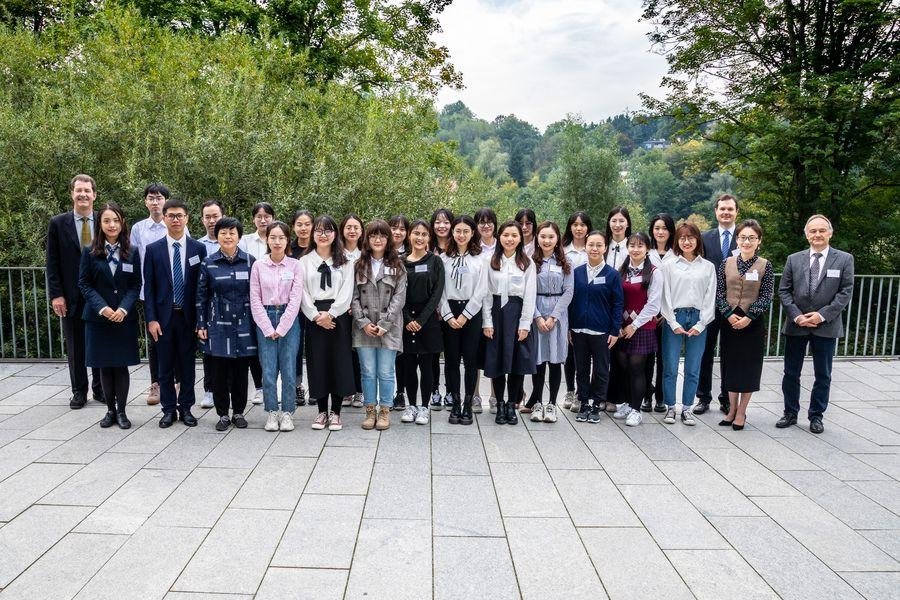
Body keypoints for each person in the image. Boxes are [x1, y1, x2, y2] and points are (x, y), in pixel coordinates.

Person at [777, 215, 854, 434]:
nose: (817, 235)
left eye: (822, 231)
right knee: (791, 372)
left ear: (830, 233)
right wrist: (797, 316)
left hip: (826, 325)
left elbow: (845, 292)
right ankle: (790, 412)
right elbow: (784, 290)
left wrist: (820, 315)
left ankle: (816, 416)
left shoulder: (844, 259)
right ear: (807, 234)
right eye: (813, 231)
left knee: (823, 374)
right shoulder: (794, 259)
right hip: (797, 325)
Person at [143, 198, 207, 428]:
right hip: (163, 319)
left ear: (187, 218)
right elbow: (148, 289)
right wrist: (150, 319)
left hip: (188, 318)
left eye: (180, 215)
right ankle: (168, 410)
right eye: (171, 215)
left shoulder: (199, 249)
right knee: (165, 366)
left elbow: (202, 288)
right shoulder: (153, 250)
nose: (176, 219)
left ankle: (186, 408)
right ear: (165, 218)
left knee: (188, 365)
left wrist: (201, 320)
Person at [78, 202, 141, 429]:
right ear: (100, 224)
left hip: (124, 318)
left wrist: (123, 309)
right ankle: (109, 411)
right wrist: (103, 308)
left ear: (122, 222)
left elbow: (135, 285)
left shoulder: (132, 252)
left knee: (121, 366)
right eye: (106, 220)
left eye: (115, 220)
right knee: (105, 366)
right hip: (99, 319)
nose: (111, 225)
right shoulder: (90, 252)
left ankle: (122, 411)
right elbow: (84, 284)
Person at [47, 174, 104, 409]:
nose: (83, 194)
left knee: (100, 342)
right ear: (72, 193)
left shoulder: (105, 219)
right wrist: (55, 294)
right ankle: (79, 391)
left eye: (87, 190)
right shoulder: (58, 223)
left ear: (94, 195)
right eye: (78, 190)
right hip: (70, 295)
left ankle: (101, 389)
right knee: (75, 346)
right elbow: (52, 261)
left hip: (101, 296)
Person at [130, 182, 188, 405]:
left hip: (177, 294)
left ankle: (177, 381)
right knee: (155, 340)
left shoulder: (176, 224)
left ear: (166, 202)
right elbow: (135, 261)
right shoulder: (138, 229)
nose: (155, 202)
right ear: (146, 202)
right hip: (150, 293)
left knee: (177, 337)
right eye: (151, 198)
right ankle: (156, 384)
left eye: (159, 198)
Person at [197, 217, 256, 431]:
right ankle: (222, 414)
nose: (228, 236)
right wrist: (201, 324)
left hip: (244, 325)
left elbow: (257, 295)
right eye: (223, 232)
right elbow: (201, 297)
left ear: (239, 236)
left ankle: (239, 412)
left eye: (232, 232)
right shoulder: (209, 262)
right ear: (217, 236)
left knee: (241, 372)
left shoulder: (250, 261)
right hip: (218, 326)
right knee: (219, 373)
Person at [715, 219, 774, 431]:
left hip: (753, 323)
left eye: (751, 238)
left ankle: (742, 412)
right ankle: (731, 409)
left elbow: (767, 295)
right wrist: (729, 314)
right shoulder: (726, 263)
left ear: (759, 241)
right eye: (742, 237)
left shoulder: (765, 265)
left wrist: (750, 316)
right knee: (730, 366)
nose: (746, 242)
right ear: (736, 240)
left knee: (748, 368)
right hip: (729, 321)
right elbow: (719, 292)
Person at [299, 216, 355, 431]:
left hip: (337, 317)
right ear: (313, 235)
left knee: (339, 362)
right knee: (318, 363)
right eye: (319, 231)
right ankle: (322, 411)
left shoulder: (345, 261)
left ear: (335, 234)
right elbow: (302, 292)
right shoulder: (304, 262)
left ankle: (337, 412)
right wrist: (315, 316)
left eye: (328, 231)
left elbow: (347, 291)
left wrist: (330, 314)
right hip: (314, 317)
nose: (323, 235)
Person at [351, 220, 407, 431]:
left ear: (388, 239)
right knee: (367, 371)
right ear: (367, 238)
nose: (378, 239)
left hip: (389, 328)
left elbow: (399, 298)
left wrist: (385, 323)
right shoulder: (359, 264)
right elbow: (353, 297)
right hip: (363, 328)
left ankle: (385, 409)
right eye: (373, 235)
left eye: (382, 235)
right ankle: (369, 409)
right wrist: (363, 322)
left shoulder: (397, 265)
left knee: (385, 371)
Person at [659, 222, 717, 427]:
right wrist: (672, 321)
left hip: (699, 318)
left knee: (693, 367)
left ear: (697, 240)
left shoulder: (708, 267)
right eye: (682, 238)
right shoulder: (669, 266)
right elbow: (664, 296)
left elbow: (711, 297)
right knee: (671, 366)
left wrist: (702, 324)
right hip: (674, 316)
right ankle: (670, 407)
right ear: (677, 241)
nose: (686, 241)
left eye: (691, 237)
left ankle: (686, 408)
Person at [250, 221, 304, 432]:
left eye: (281, 237)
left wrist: (281, 327)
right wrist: (266, 326)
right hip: (265, 316)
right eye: (273, 237)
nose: (277, 241)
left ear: (287, 240)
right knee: (269, 370)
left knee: (289, 369)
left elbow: (296, 298)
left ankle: (288, 412)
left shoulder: (295, 265)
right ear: (267, 239)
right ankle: (272, 412)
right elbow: (254, 298)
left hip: (289, 319)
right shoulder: (258, 266)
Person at [483, 220, 536, 425]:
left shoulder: (526, 262)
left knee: (517, 361)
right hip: (496, 312)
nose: (510, 239)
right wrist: (487, 321)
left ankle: (512, 404)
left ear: (520, 238)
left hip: (517, 312)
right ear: (499, 236)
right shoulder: (491, 260)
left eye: (514, 235)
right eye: (506, 235)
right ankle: (500, 403)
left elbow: (530, 295)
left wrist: (525, 324)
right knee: (496, 360)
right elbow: (486, 293)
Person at [569, 231, 623, 424]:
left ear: (605, 248)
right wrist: (569, 327)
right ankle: (584, 401)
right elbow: (571, 300)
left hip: (602, 331)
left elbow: (617, 304)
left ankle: (596, 403)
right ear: (585, 247)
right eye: (591, 244)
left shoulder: (612, 274)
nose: (594, 248)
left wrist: (614, 330)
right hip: (579, 329)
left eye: (599, 245)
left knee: (601, 369)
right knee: (581, 369)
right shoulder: (576, 273)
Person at [522, 221, 573, 423]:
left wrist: (553, 317)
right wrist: (536, 316)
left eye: (551, 237)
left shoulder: (565, 261)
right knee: (538, 360)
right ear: (537, 238)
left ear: (557, 238)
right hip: (536, 312)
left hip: (557, 316)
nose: (547, 240)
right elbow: (526, 291)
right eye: (543, 236)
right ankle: (537, 403)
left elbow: (569, 291)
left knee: (554, 361)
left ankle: (552, 404)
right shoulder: (529, 261)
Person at [611, 232, 662, 427]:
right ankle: (626, 403)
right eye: (632, 245)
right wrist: (619, 325)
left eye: (640, 245)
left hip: (641, 327)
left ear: (647, 248)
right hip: (622, 327)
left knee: (637, 369)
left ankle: (636, 409)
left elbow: (654, 304)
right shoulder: (621, 270)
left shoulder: (654, 272)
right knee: (623, 367)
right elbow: (616, 298)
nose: (635, 249)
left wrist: (634, 325)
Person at [439, 215, 486, 425]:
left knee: (470, 361)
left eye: (466, 231)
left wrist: (466, 315)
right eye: (458, 231)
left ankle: (467, 404)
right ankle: (455, 403)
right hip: (449, 311)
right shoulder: (443, 259)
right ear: (453, 232)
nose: (461, 235)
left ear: (473, 233)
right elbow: (438, 289)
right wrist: (449, 315)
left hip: (471, 313)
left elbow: (482, 290)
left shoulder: (480, 259)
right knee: (451, 361)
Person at [399, 220, 445, 425]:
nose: (419, 238)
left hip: (428, 320)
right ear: (409, 235)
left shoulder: (435, 262)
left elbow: (437, 293)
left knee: (427, 366)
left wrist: (421, 320)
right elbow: (396, 294)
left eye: (424, 234)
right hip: (405, 319)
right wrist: (409, 319)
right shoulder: (399, 261)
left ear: (429, 237)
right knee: (408, 365)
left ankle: (424, 406)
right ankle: (411, 405)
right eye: (416, 233)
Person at [697, 194, 739, 415]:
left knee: (730, 353)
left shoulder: (744, 237)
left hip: (734, 306)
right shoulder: (705, 238)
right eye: (722, 209)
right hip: (709, 304)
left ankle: (726, 398)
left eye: (730, 209)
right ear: (715, 211)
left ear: (736, 212)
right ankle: (703, 397)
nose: (726, 212)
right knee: (705, 351)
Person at [239, 202, 275, 405]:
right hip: (249, 300)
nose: (263, 220)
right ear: (253, 219)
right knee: (253, 345)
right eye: (259, 216)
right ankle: (259, 387)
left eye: (267, 216)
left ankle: (271, 384)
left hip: (274, 302)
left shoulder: (278, 239)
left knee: (270, 345)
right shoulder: (245, 241)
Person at [644, 213, 676, 413]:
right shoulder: (646, 254)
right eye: (657, 228)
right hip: (648, 314)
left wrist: (665, 313)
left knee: (665, 358)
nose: (660, 232)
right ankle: (647, 394)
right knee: (647, 357)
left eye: (664, 228)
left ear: (670, 231)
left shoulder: (678, 254)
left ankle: (661, 397)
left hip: (669, 315)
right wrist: (651, 312)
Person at [561, 211, 591, 412]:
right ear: (570, 227)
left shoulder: (594, 248)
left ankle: (583, 392)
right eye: (575, 224)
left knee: (585, 351)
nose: (579, 228)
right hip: (568, 303)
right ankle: (570, 389)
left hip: (589, 303)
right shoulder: (563, 250)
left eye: (582, 224)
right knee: (569, 351)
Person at [196, 199, 224, 410]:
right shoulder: (197, 245)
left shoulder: (233, 241)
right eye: (208, 217)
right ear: (202, 219)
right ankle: (209, 390)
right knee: (208, 349)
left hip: (228, 304)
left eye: (216, 216)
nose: (212, 220)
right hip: (205, 303)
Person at [428, 208, 454, 410]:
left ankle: (452, 391)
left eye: (446, 222)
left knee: (453, 352)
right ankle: (434, 390)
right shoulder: (427, 248)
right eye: (438, 222)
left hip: (453, 308)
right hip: (431, 310)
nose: (442, 226)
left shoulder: (458, 248)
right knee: (434, 353)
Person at [474, 207, 499, 413]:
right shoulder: (473, 248)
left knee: (494, 350)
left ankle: (494, 395)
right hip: (475, 304)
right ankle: (474, 395)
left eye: (489, 221)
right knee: (474, 351)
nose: (485, 225)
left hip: (498, 305)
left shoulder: (503, 245)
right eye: (481, 221)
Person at [340, 214, 365, 407]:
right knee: (344, 351)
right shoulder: (336, 254)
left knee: (359, 351)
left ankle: (360, 390)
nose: (352, 231)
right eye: (348, 227)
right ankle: (346, 390)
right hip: (341, 311)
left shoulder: (365, 254)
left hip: (361, 311)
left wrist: (356, 306)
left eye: (356, 227)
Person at [290, 209, 314, 405]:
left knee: (315, 347)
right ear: (293, 227)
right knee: (296, 348)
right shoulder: (288, 250)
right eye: (300, 224)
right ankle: (298, 386)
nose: (303, 228)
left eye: (307, 224)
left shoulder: (320, 248)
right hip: (293, 307)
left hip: (316, 306)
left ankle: (316, 386)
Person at [388, 214, 410, 411]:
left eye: (402, 229)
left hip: (405, 310)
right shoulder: (379, 251)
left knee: (402, 354)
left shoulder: (411, 253)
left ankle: (400, 392)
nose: (398, 232)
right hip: (384, 313)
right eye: (394, 227)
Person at [605, 205, 631, 270]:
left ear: (627, 224)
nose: (617, 225)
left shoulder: (632, 247)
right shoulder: (603, 245)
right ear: (609, 223)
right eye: (614, 221)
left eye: (621, 221)